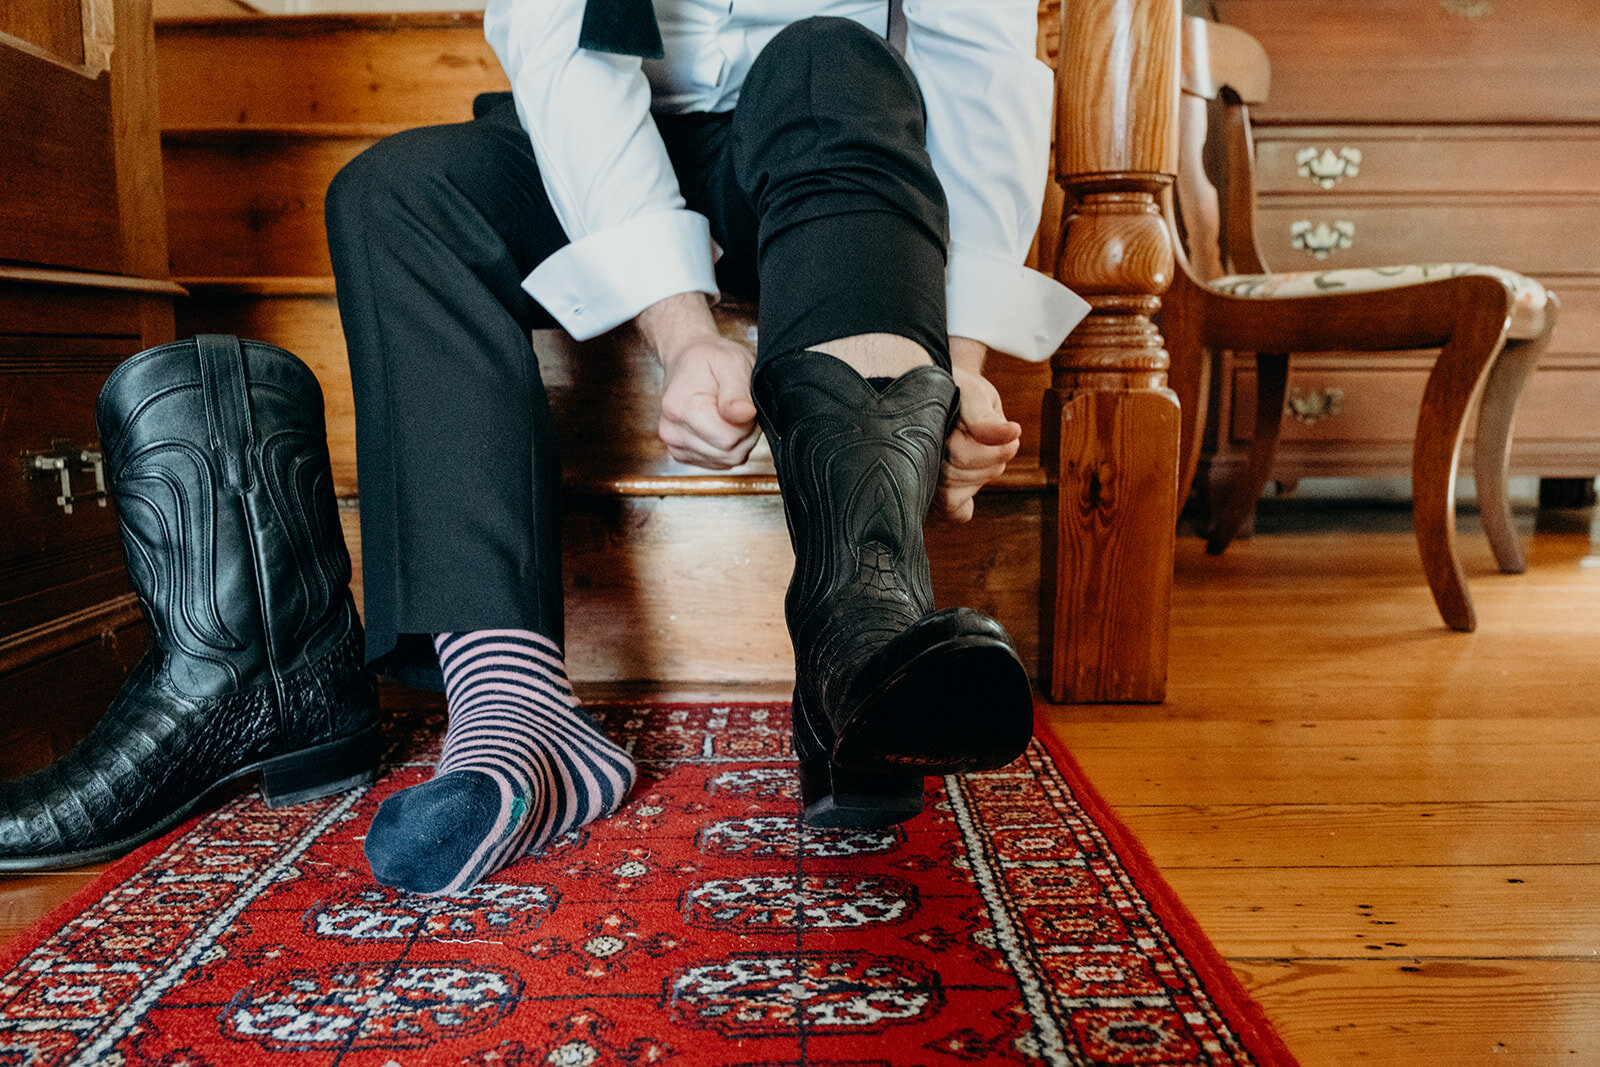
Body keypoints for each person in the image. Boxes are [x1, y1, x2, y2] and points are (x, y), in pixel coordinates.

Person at [324, 0, 1088, 896]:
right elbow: (563, 48)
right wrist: (682, 330)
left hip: (836, 154)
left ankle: (860, 633)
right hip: (611, 143)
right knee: (396, 192)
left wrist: (956, 360)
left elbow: (980, 62)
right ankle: (514, 702)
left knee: (829, 63)